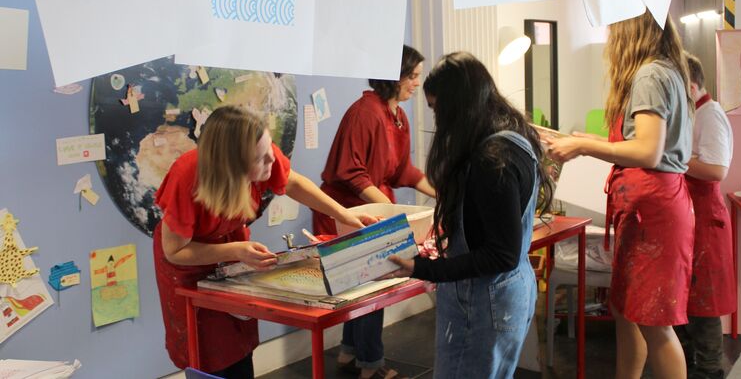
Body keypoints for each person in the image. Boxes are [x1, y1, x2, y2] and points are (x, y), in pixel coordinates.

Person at [153, 105, 375, 379]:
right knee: (208, 351)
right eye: (262, 159)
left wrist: (343, 215)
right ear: (233, 166)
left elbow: (293, 183)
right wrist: (235, 249)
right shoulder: (186, 176)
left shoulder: (259, 148)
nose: (272, 160)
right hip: (187, 262)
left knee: (239, 341)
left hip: (232, 246)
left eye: (270, 150)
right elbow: (175, 251)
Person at [546, 11, 694, 379]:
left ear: (629, 31)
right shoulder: (664, 70)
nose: (610, 39)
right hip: (654, 209)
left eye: (613, 29)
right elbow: (631, 144)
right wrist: (578, 140)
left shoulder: (650, 75)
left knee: (655, 322)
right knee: (630, 313)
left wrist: (582, 147)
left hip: (655, 214)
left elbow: (647, 152)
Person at [389, 52, 553, 379]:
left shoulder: (492, 160)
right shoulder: (516, 136)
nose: (437, 121)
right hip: (508, 294)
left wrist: (424, 268)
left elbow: (500, 254)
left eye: (438, 110)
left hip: (486, 303)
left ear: (457, 108)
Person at [313, 45, 435, 379]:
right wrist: (384, 208)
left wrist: (441, 193)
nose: (416, 84)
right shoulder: (365, 112)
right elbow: (351, 173)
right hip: (347, 212)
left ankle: (350, 351)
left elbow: (401, 172)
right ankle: (371, 365)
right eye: (411, 76)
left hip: (370, 210)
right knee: (372, 285)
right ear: (393, 76)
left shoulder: (397, 116)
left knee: (364, 285)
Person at [675, 53, 736, 379]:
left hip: (706, 217)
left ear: (691, 85)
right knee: (687, 301)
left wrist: (674, 157)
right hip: (690, 213)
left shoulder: (710, 114)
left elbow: (715, 169)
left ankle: (711, 370)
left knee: (705, 304)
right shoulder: (695, 113)